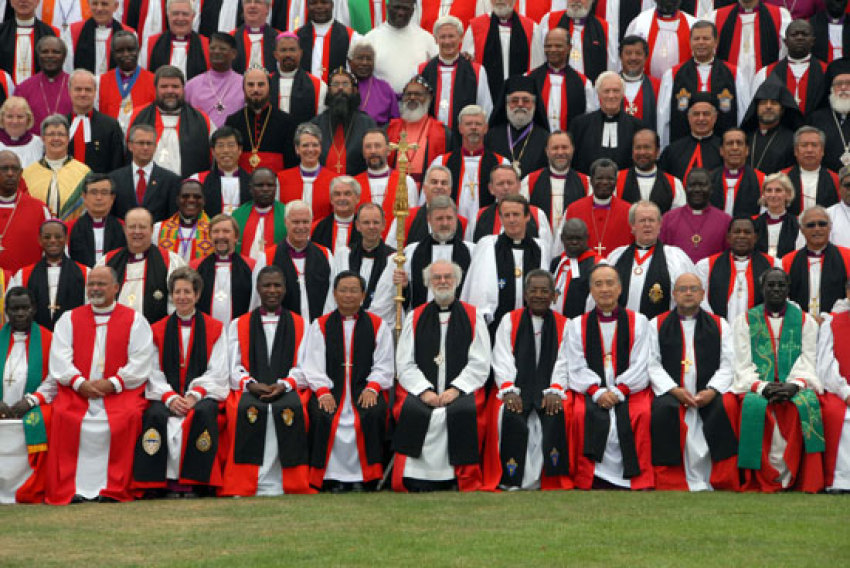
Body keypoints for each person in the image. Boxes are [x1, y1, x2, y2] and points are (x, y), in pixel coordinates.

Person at [44, 265, 153, 504]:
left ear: (116, 288)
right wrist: (79, 382)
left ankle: (113, 487)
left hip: (117, 394)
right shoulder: (69, 319)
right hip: (78, 393)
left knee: (129, 416)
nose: (95, 289)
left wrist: (113, 383)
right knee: (63, 415)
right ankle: (71, 488)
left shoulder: (134, 320)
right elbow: (60, 358)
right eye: (91, 284)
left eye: (101, 284)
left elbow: (142, 360)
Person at [393, 259, 490, 492]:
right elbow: (404, 362)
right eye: (437, 277)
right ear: (428, 283)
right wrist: (424, 391)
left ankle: (457, 478)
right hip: (422, 390)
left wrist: (455, 389)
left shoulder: (473, 316)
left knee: (461, 411)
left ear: (457, 281)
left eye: (448, 277)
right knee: (415, 410)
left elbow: (480, 362)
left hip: (460, 390)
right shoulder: (414, 317)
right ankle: (416, 478)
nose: (443, 281)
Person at [132, 267, 228, 496]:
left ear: (197, 295)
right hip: (167, 395)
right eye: (177, 292)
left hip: (200, 396)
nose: (182, 297)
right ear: (171, 295)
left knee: (203, 413)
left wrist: (194, 395)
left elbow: (219, 370)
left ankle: (196, 483)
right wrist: (170, 397)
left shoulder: (215, 328)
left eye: (187, 292)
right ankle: (158, 485)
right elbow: (151, 370)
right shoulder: (156, 330)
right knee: (155, 415)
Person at [220, 265, 312, 496]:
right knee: (246, 410)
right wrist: (250, 384)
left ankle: (286, 481)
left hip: (287, 388)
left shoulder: (301, 324)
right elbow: (232, 366)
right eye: (266, 285)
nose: (272, 290)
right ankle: (248, 482)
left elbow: (306, 366)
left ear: (285, 289)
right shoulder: (238, 324)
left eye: (277, 285)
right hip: (250, 389)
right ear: (258, 289)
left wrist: (285, 384)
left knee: (289, 408)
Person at [732, 267, 824, 493]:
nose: (775, 290)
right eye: (770, 285)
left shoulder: (804, 321)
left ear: (788, 289)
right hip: (758, 386)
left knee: (801, 407)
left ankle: (795, 477)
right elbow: (740, 362)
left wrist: (795, 385)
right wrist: (762, 386)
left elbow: (809, 359)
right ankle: (762, 477)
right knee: (755, 407)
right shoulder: (745, 321)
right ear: (762, 288)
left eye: (781, 285)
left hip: (793, 385)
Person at [301, 270, 393, 491]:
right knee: (322, 415)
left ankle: (366, 478)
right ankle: (330, 478)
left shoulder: (378, 325)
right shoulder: (320, 325)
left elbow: (384, 363)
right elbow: (312, 364)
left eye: (354, 291)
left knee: (372, 413)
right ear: (334, 294)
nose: (348, 295)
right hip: (331, 390)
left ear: (363, 295)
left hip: (364, 388)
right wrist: (322, 391)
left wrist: (373, 387)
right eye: (343, 290)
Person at [648, 273, 740, 491]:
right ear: (673, 294)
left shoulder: (720, 325)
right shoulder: (656, 325)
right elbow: (652, 364)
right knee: (664, 411)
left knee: (724, 408)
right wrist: (674, 390)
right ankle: (672, 480)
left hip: (707, 395)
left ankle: (720, 478)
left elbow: (729, 364)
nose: (688, 293)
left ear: (702, 294)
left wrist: (711, 390)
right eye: (682, 289)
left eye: (693, 289)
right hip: (673, 394)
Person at [565, 263, 654, 490]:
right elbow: (575, 364)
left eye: (610, 283)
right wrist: (597, 392)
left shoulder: (639, 322)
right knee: (578, 414)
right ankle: (592, 476)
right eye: (598, 284)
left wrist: (618, 391)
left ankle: (634, 476)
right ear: (591, 291)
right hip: (593, 391)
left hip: (629, 390)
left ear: (620, 288)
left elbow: (642, 363)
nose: (605, 289)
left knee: (642, 413)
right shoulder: (576, 325)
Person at [484, 269, 571, 491]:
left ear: (554, 295)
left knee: (557, 411)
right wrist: (508, 389)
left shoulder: (565, 325)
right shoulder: (509, 320)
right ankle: (512, 477)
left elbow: (565, 361)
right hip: (515, 387)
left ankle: (550, 478)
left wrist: (555, 389)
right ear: (525, 294)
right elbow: (502, 357)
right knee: (509, 412)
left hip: (550, 388)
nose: (539, 295)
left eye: (545, 291)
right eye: (534, 290)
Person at [371, 194, 473, 325]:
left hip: (459, 324)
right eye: (439, 218)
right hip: (421, 324)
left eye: (449, 218)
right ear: (429, 219)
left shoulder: (472, 252)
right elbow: (386, 301)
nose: (445, 223)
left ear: (456, 219)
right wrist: (404, 287)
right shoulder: (409, 253)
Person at [461, 194, 549, 334]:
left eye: (516, 215)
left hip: (532, 327)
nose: (511, 220)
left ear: (527, 217)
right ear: (501, 219)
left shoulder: (540, 248)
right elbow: (478, 290)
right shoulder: (488, 245)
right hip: (495, 326)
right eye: (506, 215)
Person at [656, 21, 749, 149]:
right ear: (690, 42)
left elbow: (743, 115)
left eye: (706, 38)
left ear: (715, 42)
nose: (701, 42)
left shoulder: (733, 74)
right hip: (682, 149)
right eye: (696, 39)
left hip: (722, 151)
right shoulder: (673, 75)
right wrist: (663, 150)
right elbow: (663, 119)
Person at [0, 287, 53, 503]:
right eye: (14, 309)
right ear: (6, 312)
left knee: (47, 419)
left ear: (34, 309)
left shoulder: (49, 339)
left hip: (32, 407)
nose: (20, 313)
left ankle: (33, 484)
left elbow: (54, 378)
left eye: (25, 308)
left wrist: (30, 401)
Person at [605, 200, 695, 320]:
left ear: (659, 225)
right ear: (632, 226)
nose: (647, 224)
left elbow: (692, 296)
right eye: (642, 220)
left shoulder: (676, 258)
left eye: (652, 220)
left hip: (660, 330)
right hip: (623, 329)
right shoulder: (616, 257)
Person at [98, 207, 187, 322]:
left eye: (142, 227)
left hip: (155, 335)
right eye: (132, 227)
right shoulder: (107, 262)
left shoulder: (171, 262)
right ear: (125, 229)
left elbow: (179, 305)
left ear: (152, 229)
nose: (137, 231)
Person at [429, 104, 508, 226]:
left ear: (486, 128)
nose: (473, 127)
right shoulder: (442, 162)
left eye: (478, 124)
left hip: (489, 224)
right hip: (449, 224)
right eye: (468, 124)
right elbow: (429, 200)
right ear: (460, 128)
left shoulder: (501, 163)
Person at [129, 66, 212, 178]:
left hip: (187, 189)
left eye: (175, 86)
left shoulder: (202, 119)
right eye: (164, 86)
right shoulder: (136, 116)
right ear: (155, 89)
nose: (170, 91)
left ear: (183, 88)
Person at [696, 216, 780, 325]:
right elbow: (701, 300)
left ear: (755, 237)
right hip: (719, 329)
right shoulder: (707, 265)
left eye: (747, 232)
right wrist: (717, 325)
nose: (742, 236)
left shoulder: (773, 265)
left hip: (759, 330)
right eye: (737, 232)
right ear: (728, 237)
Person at [9, 219, 88, 330]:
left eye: (58, 236)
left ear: (66, 239)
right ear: (40, 240)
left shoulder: (85, 273)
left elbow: (89, 310)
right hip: (36, 336)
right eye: (47, 237)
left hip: (73, 334)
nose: (52, 241)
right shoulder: (23, 275)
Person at [263, 200, 333, 322]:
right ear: (286, 223)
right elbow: (258, 299)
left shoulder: (325, 254)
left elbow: (333, 295)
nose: (301, 227)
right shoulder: (267, 256)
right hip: (282, 327)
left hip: (318, 326)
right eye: (295, 222)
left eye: (305, 222)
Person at [418, 16, 492, 132]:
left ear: (461, 38)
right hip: (431, 138)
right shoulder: (421, 71)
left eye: (451, 36)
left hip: (465, 138)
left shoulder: (477, 71)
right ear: (436, 39)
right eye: (443, 37)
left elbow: (485, 108)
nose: (447, 42)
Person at [464, 0, 542, 100]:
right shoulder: (475, 28)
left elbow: (536, 69)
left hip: (520, 100)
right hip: (486, 98)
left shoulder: (531, 28)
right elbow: (469, 68)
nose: (499, 0)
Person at [224, 67, 297, 174]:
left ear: (269, 87)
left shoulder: (286, 122)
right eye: (250, 85)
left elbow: (291, 164)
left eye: (261, 84)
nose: (255, 90)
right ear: (243, 88)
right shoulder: (233, 121)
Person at [190, 214, 258, 326]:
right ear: (210, 236)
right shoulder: (196, 266)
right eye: (216, 231)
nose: (220, 236)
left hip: (239, 331)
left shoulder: (251, 266)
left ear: (236, 237)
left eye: (226, 231)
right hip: (204, 331)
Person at [781, 206, 850, 316]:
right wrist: (804, 319)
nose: (817, 229)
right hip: (799, 323)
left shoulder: (847, 256)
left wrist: (829, 318)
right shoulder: (788, 261)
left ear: (830, 227)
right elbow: (782, 296)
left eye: (822, 224)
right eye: (810, 225)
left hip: (837, 323)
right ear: (802, 230)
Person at [570, 72, 643, 175]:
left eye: (616, 91)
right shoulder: (580, 125)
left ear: (623, 94)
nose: (611, 95)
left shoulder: (637, 127)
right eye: (606, 91)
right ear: (598, 94)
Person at [325, 203, 394, 311]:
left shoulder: (394, 259)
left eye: (375, 222)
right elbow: (333, 294)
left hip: (381, 322)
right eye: (366, 222)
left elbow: (392, 299)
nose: (371, 227)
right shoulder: (344, 254)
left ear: (383, 225)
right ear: (358, 225)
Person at [750, 20, 826, 117]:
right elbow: (757, 109)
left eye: (805, 34)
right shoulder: (765, 73)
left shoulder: (826, 72)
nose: (800, 38)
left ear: (813, 41)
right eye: (794, 34)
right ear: (785, 42)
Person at [816, 278, 850, 493]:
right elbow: (825, 365)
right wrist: (845, 391)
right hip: (840, 392)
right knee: (838, 415)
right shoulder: (833, 323)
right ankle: (841, 480)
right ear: (848, 293)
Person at [22, 114, 90, 220]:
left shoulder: (84, 173)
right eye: (51, 134)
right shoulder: (27, 174)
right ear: (43, 139)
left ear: (68, 139)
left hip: (73, 232)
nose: (56, 138)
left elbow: (88, 209)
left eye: (61, 134)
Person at [524, 131, 589, 240]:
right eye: (555, 148)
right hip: (539, 244)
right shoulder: (530, 180)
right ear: (547, 151)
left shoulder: (586, 182)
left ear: (572, 149)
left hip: (574, 245)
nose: (560, 152)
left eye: (564, 147)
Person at [386, 76, 452, 184]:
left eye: (418, 94)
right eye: (408, 94)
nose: (412, 97)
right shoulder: (390, 128)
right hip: (394, 187)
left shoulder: (443, 133)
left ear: (429, 98)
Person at [362, 0, 437, 95]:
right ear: (388, 7)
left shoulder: (426, 39)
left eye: (405, 8)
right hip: (383, 105)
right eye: (397, 7)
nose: (401, 12)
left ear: (413, 11)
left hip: (416, 103)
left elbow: (437, 70)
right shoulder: (370, 39)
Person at [109, 124, 181, 222]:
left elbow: (173, 218)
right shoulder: (114, 179)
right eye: (141, 143)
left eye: (149, 143)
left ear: (155, 146)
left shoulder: (170, 180)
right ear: (130, 146)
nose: (145, 147)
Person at [564, 158, 633, 259]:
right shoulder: (573, 210)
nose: (605, 182)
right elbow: (561, 246)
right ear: (591, 180)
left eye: (610, 179)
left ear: (616, 181)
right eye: (600, 178)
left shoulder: (629, 211)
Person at [659, 168, 731, 264]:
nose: (697, 189)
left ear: (711, 188)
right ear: (685, 188)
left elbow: (729, 258)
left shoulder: (725, 221)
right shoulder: (668, 218)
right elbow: (660, 254)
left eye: (702, 185)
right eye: (692, 185)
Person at [706, 0, 790, 80]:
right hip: (728, 81)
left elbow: (785, 52)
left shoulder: (779, 15)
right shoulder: (717, 16)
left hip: (767, 82)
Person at [485, 76, 548, 179]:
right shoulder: (491, 136)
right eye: (514, 100)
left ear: (534, 105)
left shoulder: (545, 138)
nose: (520, 105)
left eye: (526, 100)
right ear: (506, 104)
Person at [353, 129, 417, 232]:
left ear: (388, 150)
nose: (373, 151)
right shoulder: (353, 184)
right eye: (368, 146)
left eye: (378, 146)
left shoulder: (405, 181)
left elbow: (411, 219)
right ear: (363, 152)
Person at [537, 0, 615, 84]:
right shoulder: (549, 21)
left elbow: (612, 67)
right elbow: (538, 58)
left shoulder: (605, 29)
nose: (576, 1)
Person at [471, 165, 551, 246]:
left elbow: (546, 249)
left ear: (519, 185)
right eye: (500, 183)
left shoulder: (537, 215)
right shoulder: (480, 216)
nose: (506, 187)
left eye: (510, 183)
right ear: (491, 188)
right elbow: (472, 249)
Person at [65, 69, 125, 174]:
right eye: (78, 89)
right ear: (69, 91)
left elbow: (117, 167)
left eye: (88, 90)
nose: (83, 94)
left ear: (95, 92)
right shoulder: (60, 125)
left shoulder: (110, 126)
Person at [0, 151, 51, 273]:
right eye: (4, 169)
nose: (10, 173)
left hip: (27, 285)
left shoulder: (40, 209)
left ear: (21, 173)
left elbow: (53, 252)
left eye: (15, 169)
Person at [96, 31, 156, 133]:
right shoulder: (100, 81)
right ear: (113, 53)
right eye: (120, 51)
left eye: (130, 49)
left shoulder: (154, 81)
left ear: (138, 50)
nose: (126, 54)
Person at [740, 76, 801, 176]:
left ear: (782, 110)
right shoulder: (746, 137)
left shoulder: (792, 140)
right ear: (756, 108)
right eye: (763, 103)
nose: (768, 106)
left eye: (774, 102)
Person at [615, 129, 685, 214]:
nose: (642, 152)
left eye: (647, 147)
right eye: (638, 147)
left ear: (657, 151)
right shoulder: (616, 180)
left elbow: (679, 218)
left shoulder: (674, 184)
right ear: (632, 151)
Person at [623, 0, 696, 81]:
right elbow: (626, 55)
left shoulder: (692, 24)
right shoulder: (640, 23)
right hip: (648, 87)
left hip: (682, 87)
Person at [183, 32, 244, 128]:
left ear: (234, 54)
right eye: (212, 48)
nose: (216, 51)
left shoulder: (244, 84)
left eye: (222, 49)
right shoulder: (192, 85)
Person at [658, 93, 723, 181]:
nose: (701, 119)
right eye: (696, 114)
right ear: (689, 117)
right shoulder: (672, 150)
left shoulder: (723, 150)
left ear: (715, 117)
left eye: (706, 114)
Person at [277, 123, 335, 220]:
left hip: (321, 234)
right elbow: (278, 215)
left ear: (320, 148)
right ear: (297, 149)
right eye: (305, 145)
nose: (310, 149)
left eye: (315, 145)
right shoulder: (281, 179)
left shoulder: (334, 180)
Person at [14, 36, 71, 135]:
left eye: (56, 52)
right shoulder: (23, 88)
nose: (50, 55)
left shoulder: (76, 85)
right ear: (38, 56)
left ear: (64, 56)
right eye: (45, 52)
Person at [269, 31, 327, 128]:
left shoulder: (318, 86)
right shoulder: (265, 83)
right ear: (276, 55)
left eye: (292, 50)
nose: (288, 54)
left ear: (300, 53)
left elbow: (321, 121)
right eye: (283, 50)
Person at [142, 0, 210, 82]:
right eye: (175, 13)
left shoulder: (207, 45)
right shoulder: (151, 43)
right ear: (168, 15)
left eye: (185, 14)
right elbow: (143, 77)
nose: (180, 18)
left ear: (193, 16)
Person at [68, 173, 126, 267]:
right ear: (84, 197)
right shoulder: (68, 229)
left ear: (112, 198)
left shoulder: (124, 228)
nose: (99, 198)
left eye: (104, 193)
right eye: (94, 192)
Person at [193, 127, 251, 217]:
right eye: (220, 146)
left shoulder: (252, 182)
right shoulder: (198, 180)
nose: (226, 150)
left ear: (240, 149)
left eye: (231, 145)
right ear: (213, 151)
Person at [296, 0, 359, 84]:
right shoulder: (296, 37)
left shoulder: (351, 36)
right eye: (313, 3)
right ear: (307, 6)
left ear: (332, 5)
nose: (319, 6)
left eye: (324, 2)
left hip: (338, 94)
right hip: (306, 94)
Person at [782, 126, 840, 216]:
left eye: (814, 145)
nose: (809, 150)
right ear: (795, 151)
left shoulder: (835, 179)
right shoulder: (782, 178)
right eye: (804, 145)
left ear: (822, 151)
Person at [64, 0, 132, 76]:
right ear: (88, 5)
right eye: (95, 3)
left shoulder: (129, 34)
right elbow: (68, 69)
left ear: (116, 6)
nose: (99, 8)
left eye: (104, 4)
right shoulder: (73, 31)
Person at [232, 168, 287, 261]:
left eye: (270, 185)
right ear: (250, 188)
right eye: (260, 185)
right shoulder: (237, 215)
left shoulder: (287, 213)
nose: (265, 189)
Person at [709, 129, 765, 218]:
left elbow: (764, 216)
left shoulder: (762, 180)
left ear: (747, 150)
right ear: (721, 151)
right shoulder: (709, 179)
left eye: (739, 143)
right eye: (729, 143)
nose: (735, 148)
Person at [152, 180, 213, 262]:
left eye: (197, 197)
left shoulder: (214, 230)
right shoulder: (158, 229)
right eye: (185, 196)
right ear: (177, 200)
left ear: (204, 201)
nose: (191, 200)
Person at [0, 0, 58, 84]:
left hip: (40, 92)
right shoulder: (2, 32)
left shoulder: (49, 33)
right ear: (11, 2)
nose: (23, 1)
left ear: (38, 2)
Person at [550, 218, 599, 318]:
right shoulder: (557, 263)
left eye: (579, 238)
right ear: (562, 238)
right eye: (570, 238)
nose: (574, 242)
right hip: (555, 324)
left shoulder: (597, 265)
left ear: (587, 238)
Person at [808, 67, 850, 174]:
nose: (844, 88)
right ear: (831, 89)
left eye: (848, 83)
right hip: (825, 180)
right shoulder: (816, 119)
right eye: (838, 84)